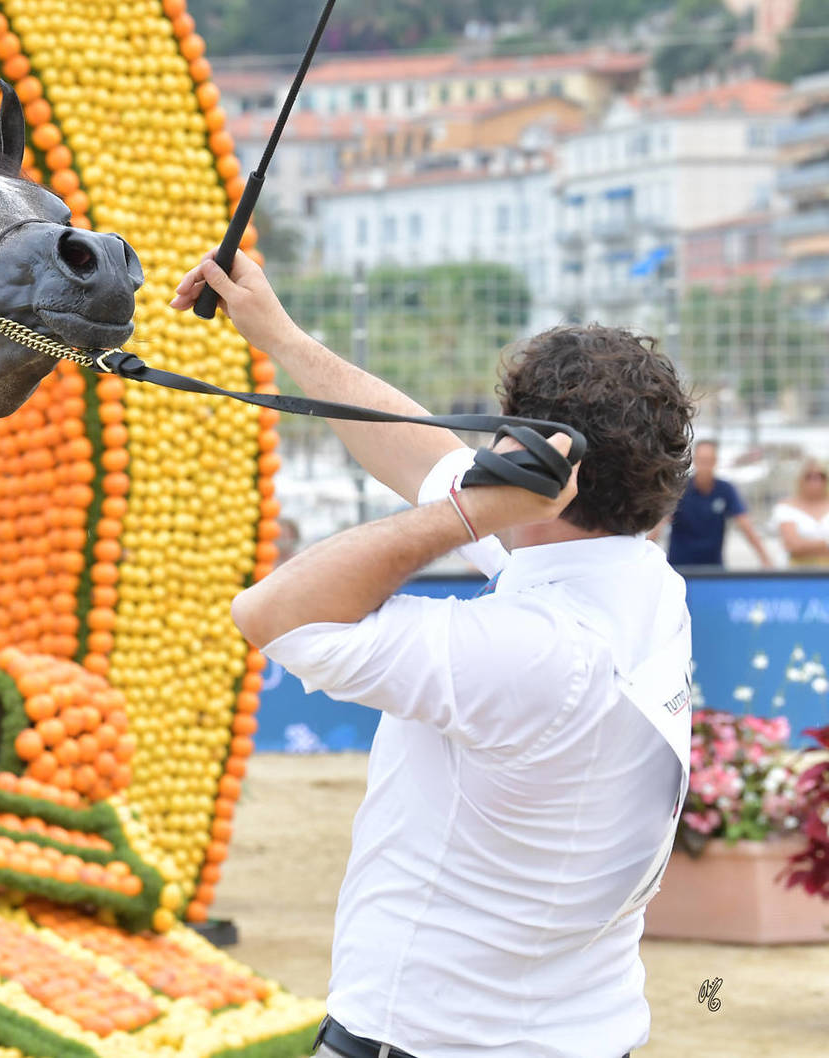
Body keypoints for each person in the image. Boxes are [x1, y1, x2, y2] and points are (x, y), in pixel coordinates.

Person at [172, 250, 694, 1058]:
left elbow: (274, 613)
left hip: (429, 1040)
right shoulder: (641, 582)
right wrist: (279, 335)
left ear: (532, 452)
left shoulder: (540, 652)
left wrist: (470, 510)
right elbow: (418, 453)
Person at [663, 439, 771, 569]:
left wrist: (765, 559)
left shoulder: (725, 490)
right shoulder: (680, 489)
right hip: (679, 568)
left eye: (709, 461)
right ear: (695, 461)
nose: (705, 466)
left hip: (713, 568)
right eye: (702, 460)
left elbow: (744, 524)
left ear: (715, 462)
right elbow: (661, 521)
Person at [772, 457, 829, 568]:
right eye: (809, 476)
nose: (815, 481)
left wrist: (805, 546)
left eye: (820, 477)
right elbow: (792, 545)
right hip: (797, 574)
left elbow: (797, 546)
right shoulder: (786, 507)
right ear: (800, 480)